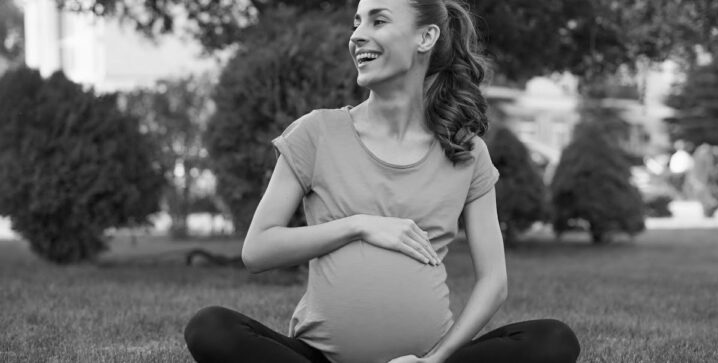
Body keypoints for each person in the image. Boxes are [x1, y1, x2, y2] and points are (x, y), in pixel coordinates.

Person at [183, 0, 580, 362]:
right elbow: (257, 250)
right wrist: (360, 226)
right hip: (319, 358)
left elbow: (494, 282)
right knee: (210, 328)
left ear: (426, 37)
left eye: (378, 20)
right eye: (357, 22)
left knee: (553, 340)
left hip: (425, 361)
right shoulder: (317, 132)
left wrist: (434, 360)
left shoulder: (465, 151)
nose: (357, 34)